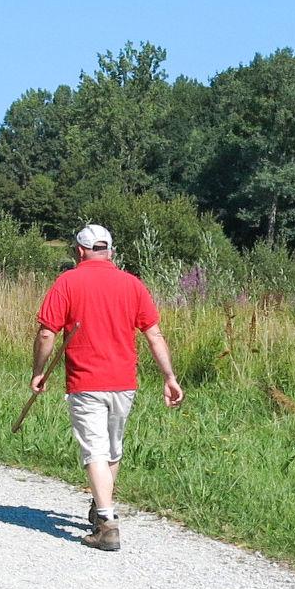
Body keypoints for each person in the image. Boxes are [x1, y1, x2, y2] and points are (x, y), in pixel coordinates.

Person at [32, 223, 183, 551]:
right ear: (110, 250)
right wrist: (169, 377)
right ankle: (101, 509)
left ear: (80, 251)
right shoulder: (132, 284)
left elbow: (47, 334)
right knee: (112, 449)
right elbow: (154, 334)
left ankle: (106, 523)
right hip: (123, 382)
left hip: (86, 382)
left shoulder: (68, 281)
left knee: (95, 451)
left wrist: (39, 371)